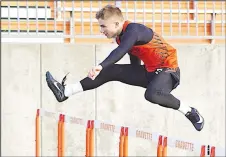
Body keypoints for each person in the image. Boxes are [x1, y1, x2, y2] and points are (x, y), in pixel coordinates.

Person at [46, 5, 204, 131]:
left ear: (116, 23)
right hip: (151, 72)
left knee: (152, 94)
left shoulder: (134, 30)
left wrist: (100, 66)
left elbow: (121, 51)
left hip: (169, 71)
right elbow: (134, 57)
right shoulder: (120, 37)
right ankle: (65, 92)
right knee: (111, 71)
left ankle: (189, 111)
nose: (101, 31)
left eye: (103, 26)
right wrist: (130, 73)